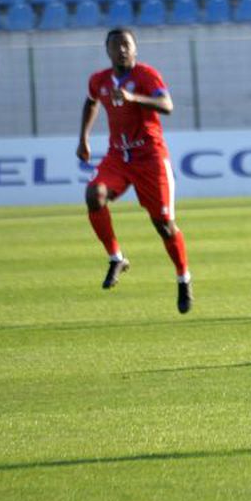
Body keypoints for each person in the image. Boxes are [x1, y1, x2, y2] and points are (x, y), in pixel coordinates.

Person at [76, 28, 193, 314]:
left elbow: (167, 105)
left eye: (126, 45)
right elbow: (91, 101)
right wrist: (83, 138)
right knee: (94, 195)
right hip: (118, 156)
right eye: (115, 46)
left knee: (163, 225)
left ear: (135, 49)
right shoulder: (99, 80)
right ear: (107, 51)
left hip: (150, 157)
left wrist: (133, 98)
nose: (121, 50)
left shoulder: (146, 75)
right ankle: (116, 258)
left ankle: (183, 278)